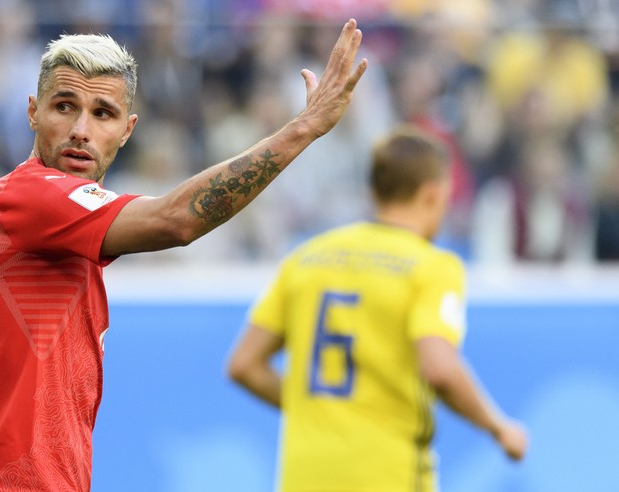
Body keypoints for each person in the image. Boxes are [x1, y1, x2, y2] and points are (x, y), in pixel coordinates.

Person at [0, 20, 368, 492]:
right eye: (64, 106)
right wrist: (304, 128)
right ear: (32, 112)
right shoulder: (31, 198)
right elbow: (176, 220)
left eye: (102, 113)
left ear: (127, 129)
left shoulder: (20, 229)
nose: (81, 130)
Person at [226, 125, 528, 492]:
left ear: (374, 191)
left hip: (304, 476)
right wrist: (499, 427)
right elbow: (440, 369)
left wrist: (318, 409)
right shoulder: (431, 267)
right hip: (386, 474)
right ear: (433, 195)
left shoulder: (307, 258)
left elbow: (244, 365)